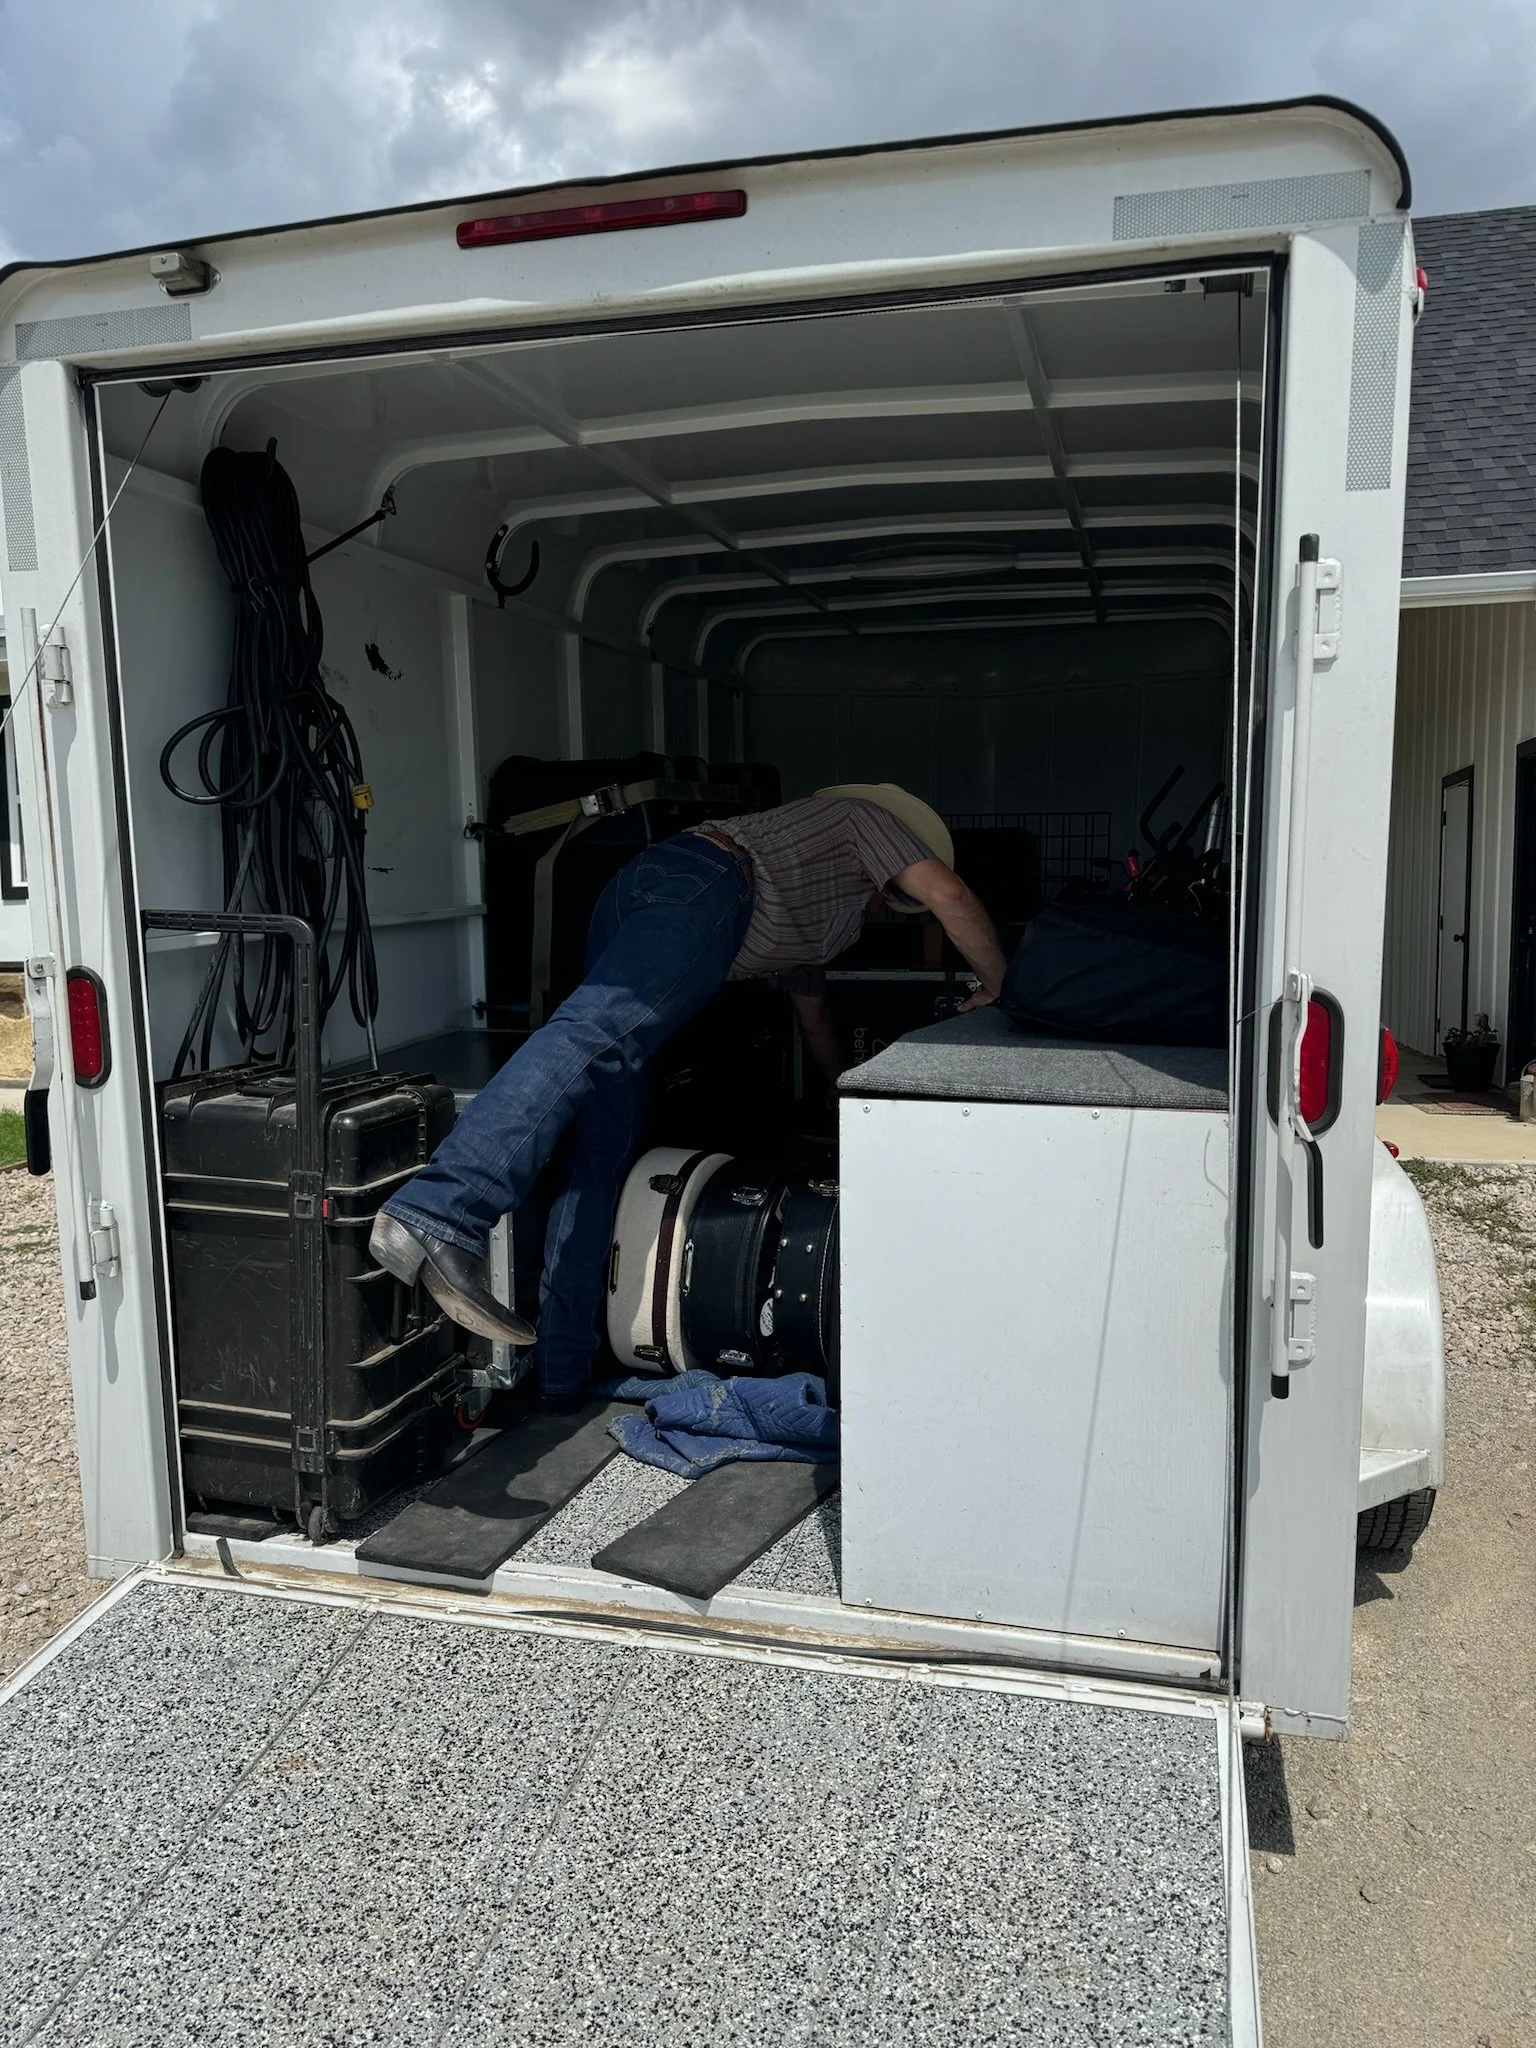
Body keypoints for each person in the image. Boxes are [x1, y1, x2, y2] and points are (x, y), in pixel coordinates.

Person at [370, 784, 1007, 1407]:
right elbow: (950, 894)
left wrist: (847, 1101)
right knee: (592, 1033)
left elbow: (812, 1020)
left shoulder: (825, 916)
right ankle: (441, 1208)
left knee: (603, 1137)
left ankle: (563, 1366)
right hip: (707, 879)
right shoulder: (863, 816)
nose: (887, 904)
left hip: (662, 888)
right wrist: (1006, 989)